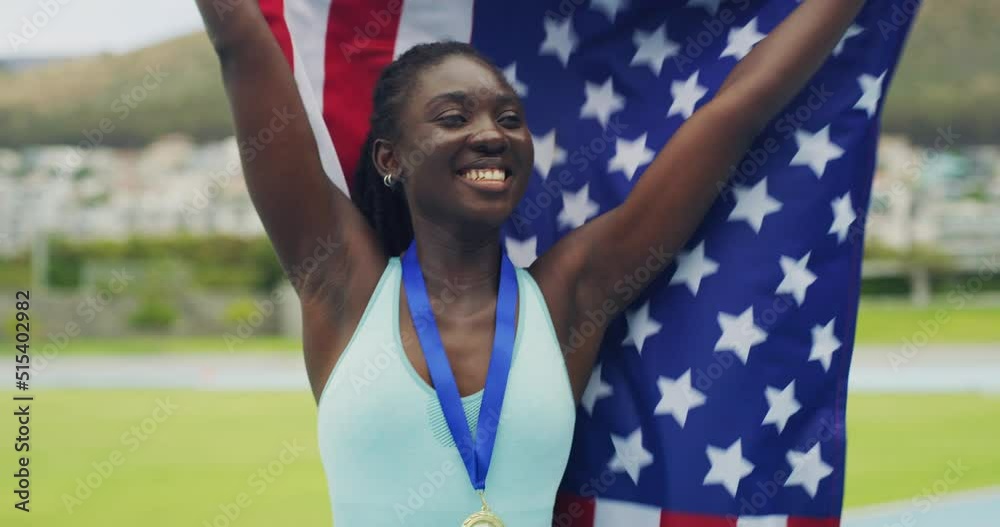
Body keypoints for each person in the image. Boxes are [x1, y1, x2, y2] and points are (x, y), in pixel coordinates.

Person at [195, 0, 867, 525]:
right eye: (453, 116)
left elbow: (732, 116)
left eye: (509, 117)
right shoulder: (342, 284)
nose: (490, 133)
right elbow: (241, 45)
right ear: (391, 159)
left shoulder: (569, 300)